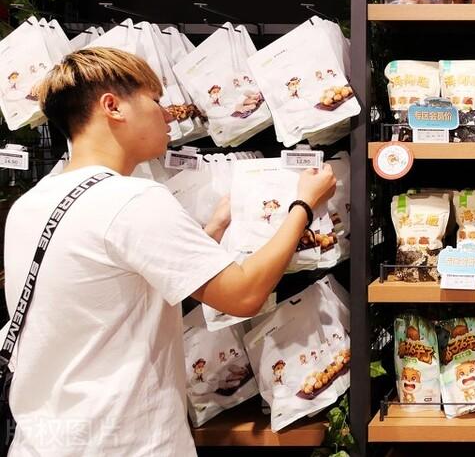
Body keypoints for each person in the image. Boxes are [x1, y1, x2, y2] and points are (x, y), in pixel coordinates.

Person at [1, 47, 337, 456]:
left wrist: (212, 230)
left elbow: (110, 296)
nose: (167, 114)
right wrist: (303, 205)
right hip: (126, 445)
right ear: (113, 107)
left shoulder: (31, 204)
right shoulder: (133, 200)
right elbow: (245, 295)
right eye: (154, 100)